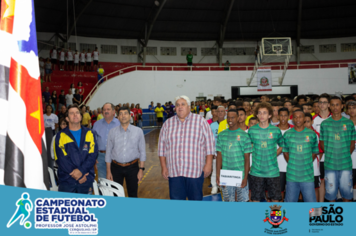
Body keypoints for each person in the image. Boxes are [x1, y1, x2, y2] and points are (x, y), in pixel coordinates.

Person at [158, 95, 215, 200]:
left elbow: (210, 144)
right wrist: (163, 166)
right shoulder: (167, 124)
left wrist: (208, 164)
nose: (180, 107)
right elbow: (162, 148)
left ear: (189, 107)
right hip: (174, 172)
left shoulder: (200, 121)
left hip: (195, 171)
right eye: (177, 105)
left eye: (183, 104)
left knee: (195, 200)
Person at [54, 104, 98, 193]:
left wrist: (81, 171)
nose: (75, 115)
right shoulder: (60, 135)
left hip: (86, 180)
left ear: (81, 117)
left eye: (77, 112)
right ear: (67, 118)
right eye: (71, 113)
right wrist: (79, 175)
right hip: (67, 180)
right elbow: (61, 159)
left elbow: (92, 156)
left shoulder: (90, 133)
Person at [320, 96, 356, 202]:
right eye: (333, 105)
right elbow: (322, 144)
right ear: (329, 107)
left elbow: (352, 145)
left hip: (346, 165)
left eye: (337, 104)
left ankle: (347, 217)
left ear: (342, 106)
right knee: (331, 194)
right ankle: (334, 217)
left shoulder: (349, 124)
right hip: (330, 165)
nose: (335, 107)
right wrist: (332, 154)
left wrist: (343, 155)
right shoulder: (325, 124)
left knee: (347, 195)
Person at [106, 107, 146, 197]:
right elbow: (108, 152)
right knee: (115, 195)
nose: (123, 116)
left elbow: (142, 151)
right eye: (120, 114)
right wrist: (108, 171)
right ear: (118, 117)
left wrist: (141, 169)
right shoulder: (112, 132)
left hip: (132, 168)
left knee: (133, 195)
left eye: (125, 113)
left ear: (130, 116)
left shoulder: (138, 131)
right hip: (115, 168)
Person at [248, 102, 283, 202]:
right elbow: (247, 146)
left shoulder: (276, 130)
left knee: (275, 199)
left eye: (264, 113)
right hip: (256, 171)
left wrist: (273, 154)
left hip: (272, 171)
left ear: (270, 115)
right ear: (257, 115)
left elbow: (283, 145)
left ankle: (275, 218)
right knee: (255, 199)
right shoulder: (251, 130)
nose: (262, 115)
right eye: (259, 113)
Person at [216, 109, 252, 202]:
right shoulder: (221, 135)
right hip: (226, 175)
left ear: (237, 118)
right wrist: (218, 174)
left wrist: (245, 177)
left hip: (241, 175)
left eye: (233, 117)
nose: (230, 119)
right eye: (228, 117)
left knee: (242, 202)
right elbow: (219, 156)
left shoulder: (244, 135)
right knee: (228, 202)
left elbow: (247, 159)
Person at [283, 110, 319, 202]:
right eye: (295, 117)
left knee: (310, 203)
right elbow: (285, 152)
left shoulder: (311, 134)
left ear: (304, 119)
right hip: (292, 176)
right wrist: (291, 162)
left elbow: (315, 151)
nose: (298, 119)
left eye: (300, 117)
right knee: (290, 203)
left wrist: (307, 162)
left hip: (307, 176)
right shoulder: (287, 134)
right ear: (292, 119)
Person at [92, 103, 121, 179]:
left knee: (115, 181)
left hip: (115, 157)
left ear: (113, 111)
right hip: (100, 157)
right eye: (104, 110)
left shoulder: (120, 124)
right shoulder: (96, 124)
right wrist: (94, 157)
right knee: (102, 182)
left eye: (108, 109)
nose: (106, 111)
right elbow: (93, 142)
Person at [312, 95, 331, 202]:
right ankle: (321, 204)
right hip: (320, 156)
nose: (322, 104)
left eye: (324, 102)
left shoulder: (334, 118)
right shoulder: (313, 119)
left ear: (328, 104)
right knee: (322, 181)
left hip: (333, 156)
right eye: (320, 102)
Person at [276, 107, 293, 201]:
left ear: (289, 116)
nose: (283, 117)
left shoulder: (294, 129)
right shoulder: (273, 130)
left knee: (292, 193)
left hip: (293, 166)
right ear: (278, 116)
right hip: (277, 167)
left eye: (285, 115)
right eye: (281, 115)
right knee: (279, 193)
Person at [304, 113, 322, 201]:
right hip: (300, 168)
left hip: (313, 168)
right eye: (304, 122)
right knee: (302, 189)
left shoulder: (316, 134)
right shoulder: (297, 134)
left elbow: (319, 151)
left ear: (312, 122)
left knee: (315, 189)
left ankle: (316, 210)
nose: (306, 124)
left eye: (308, 121)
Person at [209, 105, 226, 194]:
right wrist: (212, 152)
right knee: (215, 170)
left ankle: (223, 186)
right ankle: (215, 186)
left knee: (225, 170)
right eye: (218, 111)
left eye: (222, 111)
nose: (220, 113)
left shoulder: (228, 124)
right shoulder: (212, 125)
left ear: (225, 113)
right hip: (216, 152)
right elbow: (210, 140)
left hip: (227, 152)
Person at [346, 101, 356, 200]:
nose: (351, 110)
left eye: (354, 107)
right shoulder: (345, 124)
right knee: (349, 184)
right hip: (349, 160)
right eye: (349, 108)